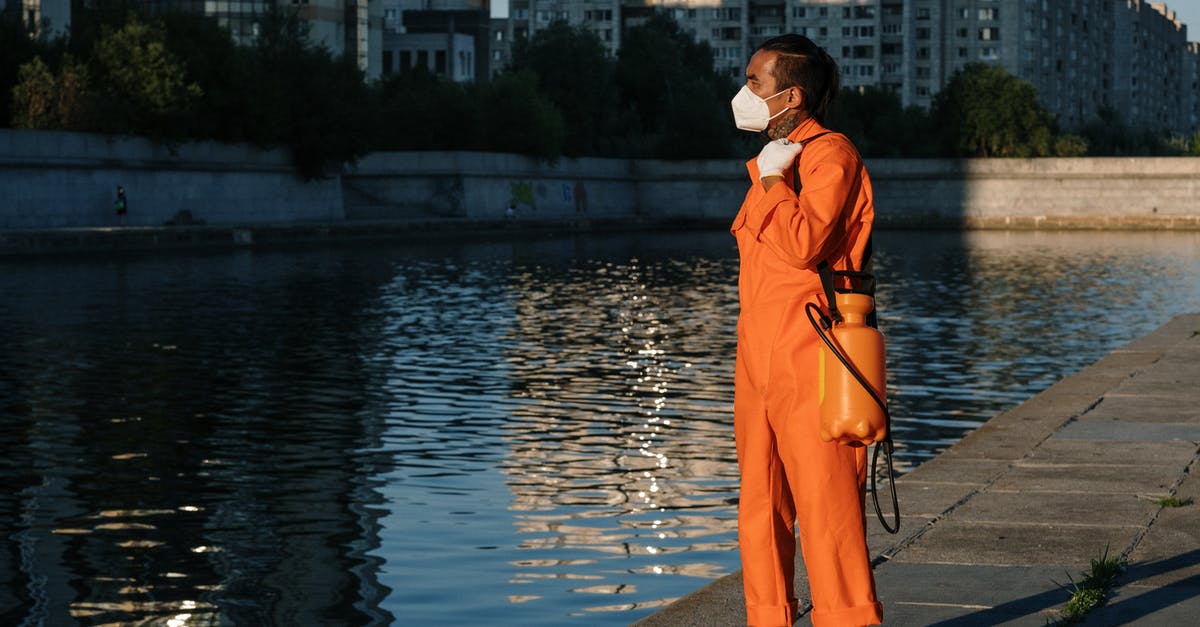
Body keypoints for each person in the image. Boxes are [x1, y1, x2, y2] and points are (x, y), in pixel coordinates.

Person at [728, 34, 882, 626]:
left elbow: (803, 244)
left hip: (816, 352)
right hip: (760, 358)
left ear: (789, 95)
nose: (744, 94)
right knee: (760, 508)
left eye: (755, 83)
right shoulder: (782, 156)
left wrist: (770, 181)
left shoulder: (828, 157)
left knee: (828, 510)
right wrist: (769, 175)